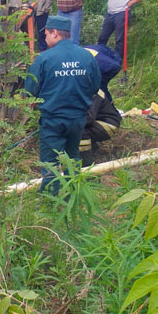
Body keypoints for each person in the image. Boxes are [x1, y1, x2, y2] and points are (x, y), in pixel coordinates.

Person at [24, 16, 101, 195]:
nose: (44, 38)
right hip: (78, 120)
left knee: (50, 162)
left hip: (53, 120)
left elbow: (30, 89)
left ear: (55, 33)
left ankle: (50, 200)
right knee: (72, 157)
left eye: (46, 34)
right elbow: (95, 86)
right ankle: (72, 194)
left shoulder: (44, 59)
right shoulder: (86, 56)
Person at [79, 44, 123, 160]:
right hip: (104, 119)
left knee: (79, 128)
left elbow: (88, 118)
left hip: (109, 124)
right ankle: (92, 147)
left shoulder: (91, 88)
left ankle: (85, 162)